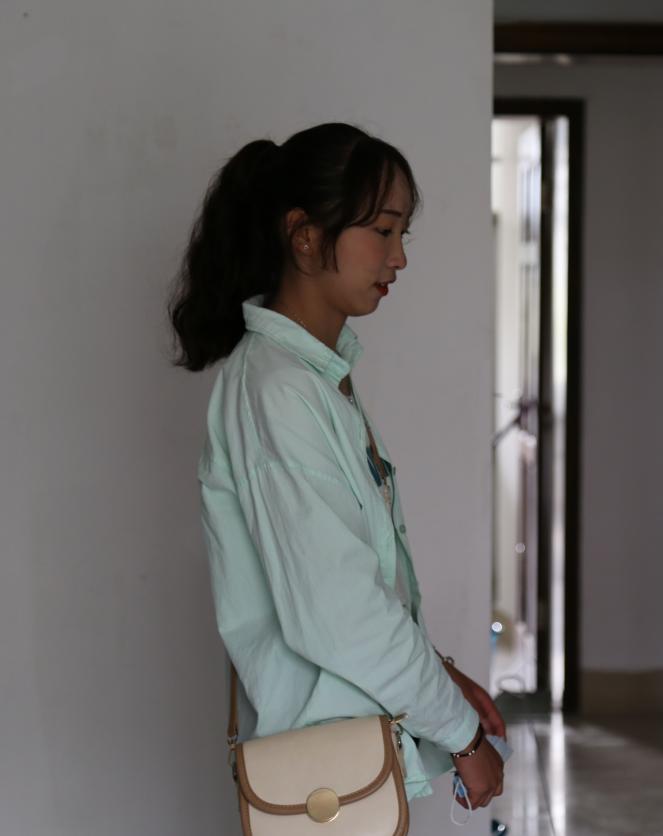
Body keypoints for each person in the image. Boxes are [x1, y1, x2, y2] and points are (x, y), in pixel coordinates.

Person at [169, 122, 505, 811]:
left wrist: (441, 676)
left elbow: (353, 581)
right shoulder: (278, 390)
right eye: (382, 230)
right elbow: (340, 615)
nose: (398, 257)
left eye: (403, 232)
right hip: (329, 772)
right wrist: (464, 739)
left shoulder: (313, 378)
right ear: (304, 235)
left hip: (351, 756)